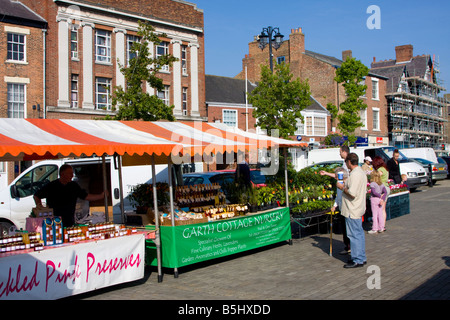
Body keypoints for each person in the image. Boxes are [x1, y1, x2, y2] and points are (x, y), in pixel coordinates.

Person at [34, 164, 106, 227]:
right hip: (54, 222)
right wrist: (41, 209)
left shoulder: (73, 186)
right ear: (62, 174)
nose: (72, 175)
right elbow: (36, 196)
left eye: (72, 173)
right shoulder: (52, 186)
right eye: (69, 173)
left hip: (69, 221)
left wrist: (101, 196)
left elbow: (86, 196)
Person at [337, 153, 368, 268]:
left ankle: (357, 259)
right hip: (357, 208)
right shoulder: (359, 172)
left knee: (354, 235)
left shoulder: (355, 174)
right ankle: (361, 257)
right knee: (358, 234)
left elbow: (352, 193)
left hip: (352, 209)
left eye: (346, 162)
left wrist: (342, 188)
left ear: (349, 162)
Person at [372, 156, 390, 232]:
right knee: (383, 209)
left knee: (380, 209)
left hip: (382, 188)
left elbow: (377, 176)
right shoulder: (385, 169)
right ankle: (382, 225)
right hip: (387, 187)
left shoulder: (380, 169)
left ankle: (381, 226)